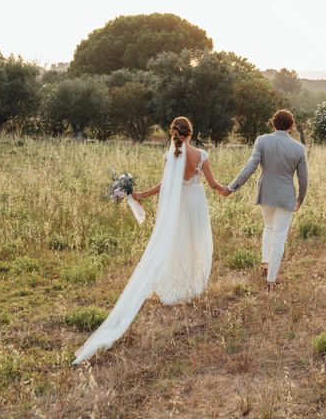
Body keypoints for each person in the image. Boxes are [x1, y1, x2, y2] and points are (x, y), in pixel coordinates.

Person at [72, 117, 224, 365]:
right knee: (196, 242)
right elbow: (213, 183)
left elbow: (165, 186)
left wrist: (142, 194)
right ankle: (190, 284)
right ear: (191, 132)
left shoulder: (170, 157)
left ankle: (178, 283)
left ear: (173, 133)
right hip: (195, 203)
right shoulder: (202, 155)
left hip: (177, 205)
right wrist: (226, 189)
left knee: (174, 243)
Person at [220, 109, 308, 290]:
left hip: (266, 194)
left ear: (273, 123)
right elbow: (303, 178)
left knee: (269, 227)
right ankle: (271, 279)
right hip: (286, 197)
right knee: (279, 237)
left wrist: (231, 188)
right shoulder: (299, 148)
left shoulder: (262, 141)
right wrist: (300, 199)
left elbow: (250, 167)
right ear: (291, 126)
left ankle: (266, 263)